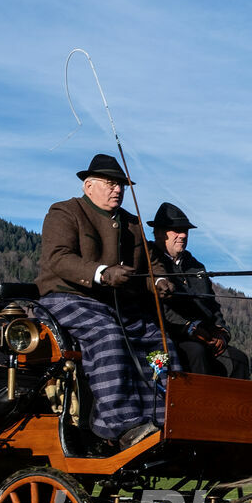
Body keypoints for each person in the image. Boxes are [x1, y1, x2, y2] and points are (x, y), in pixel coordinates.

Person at [36, 154, 174, 448]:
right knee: (108, 334)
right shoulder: (64, 211)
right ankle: (119, 424)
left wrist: (159, 282)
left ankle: (163, 419)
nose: (117, 190)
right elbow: (58, 258)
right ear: (89, 186)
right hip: (68, 297)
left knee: (159, 342)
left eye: (121, 185)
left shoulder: (131, 223)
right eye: (110, 184)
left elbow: (151, 266)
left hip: (118, 305)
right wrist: (101, 273)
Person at [146, 202, 251, 379]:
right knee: (196, 352)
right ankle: (199, 405)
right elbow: (157, 307)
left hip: (206, 335)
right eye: (176, 231)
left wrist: (222, 333)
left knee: (239, 359)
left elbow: (212, 305)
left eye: (185, 231)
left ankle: (233, 406)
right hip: (172, 335)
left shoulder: (196, 267)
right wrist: (190, 329)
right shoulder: (150, 261)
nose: (182, 236)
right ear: (158, 233)